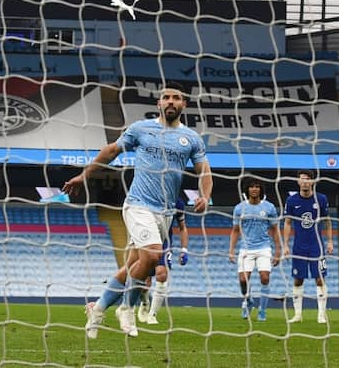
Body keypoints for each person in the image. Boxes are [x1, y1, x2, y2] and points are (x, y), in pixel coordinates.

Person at [63, 82, 212, 339]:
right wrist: (84, 175)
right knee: (153, 258)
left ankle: (97, 308)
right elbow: (111, 151)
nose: (170, 102)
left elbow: (204, 171)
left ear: (184, 104)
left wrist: (205, 195)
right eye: (166, 97)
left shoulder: (192, 139)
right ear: (159, 103)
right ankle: (127, 308)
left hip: (164, 213)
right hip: (138, 205)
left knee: (134, 264)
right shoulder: (141, 129)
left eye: (176, 98)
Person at [283, 169, 334, 324]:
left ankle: (321, 315)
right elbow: (287, 222)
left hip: (316, 246)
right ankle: (298, 315)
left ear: (312, 182)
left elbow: (327, 221)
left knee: (320, 279)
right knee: (298, 280)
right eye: (302, 179)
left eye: (307, 179)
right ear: (298, 182)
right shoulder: (292, 201)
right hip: (299, 247)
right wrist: (285, 244)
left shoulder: (321, 199)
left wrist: (330, 241)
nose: (304, 182)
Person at [228, 177, 282, 321]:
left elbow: (275, 230)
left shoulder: (269, 208)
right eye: (251, 186)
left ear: (261, 189)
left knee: (265, 277)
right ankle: (248, 301)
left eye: (257, 186)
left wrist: (278, 251)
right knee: (243, 280)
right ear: (247, 189)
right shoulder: (239, 208)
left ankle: (262, 311)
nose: (254, 189)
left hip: (264, 248)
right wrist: (231, 250)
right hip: (245, 249)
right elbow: (235, 231)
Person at [136, 193, 190, 326]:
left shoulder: (178, 203)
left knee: (162, 275)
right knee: (144, 283)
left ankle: (152, 315)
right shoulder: (148, 195)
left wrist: (184, 249)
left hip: (165, 243)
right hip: (147, 241)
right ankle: (145, 302)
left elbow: (182, 227)